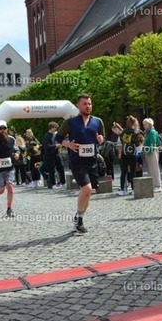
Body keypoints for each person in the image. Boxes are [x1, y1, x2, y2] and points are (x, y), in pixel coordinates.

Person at [56, 93, 105, 234]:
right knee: (87, 189)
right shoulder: (70, 122)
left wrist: (101, 140)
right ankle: (79, 218)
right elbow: (58, 138)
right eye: (85, 104)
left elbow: (102, 138)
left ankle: (79, 217)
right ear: (78, 105)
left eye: (89, 104)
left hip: (92, 161)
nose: (88, 106)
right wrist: (68, 144)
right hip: (77, 161)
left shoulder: (98, 121)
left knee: (89, 192)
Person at [116, 116, 141, 196]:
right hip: (132, 153)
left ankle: (122, 189)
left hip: (124, 153)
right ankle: (133, 188)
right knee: (132, 171)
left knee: (123, 171)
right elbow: (137, 144)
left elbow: (121, 142)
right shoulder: (135, 132)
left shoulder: (123, 132)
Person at [43, 122, 66, 189]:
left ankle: (63, 182)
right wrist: (56, 145)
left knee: (61, 167)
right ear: (51, 128)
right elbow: (47, 146)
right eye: (55, 128)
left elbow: (58, 142)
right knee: (51, 170)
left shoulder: (55, 135)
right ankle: (53, 184)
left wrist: (60, 145)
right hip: (50, 155)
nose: (56, 129)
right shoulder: (46, 136)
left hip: (57, 153)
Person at [142, 118, 162, 192]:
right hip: (148, 152)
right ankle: (152, 185)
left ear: (150, 124)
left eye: (145, 124)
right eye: (143, 124)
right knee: (150, 170)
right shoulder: (147, 132)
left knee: (154, 169)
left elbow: (152, 143)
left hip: (152, 152)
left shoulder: (152, 132)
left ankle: (157, 185)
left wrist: (149, 153)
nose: (144, 126)